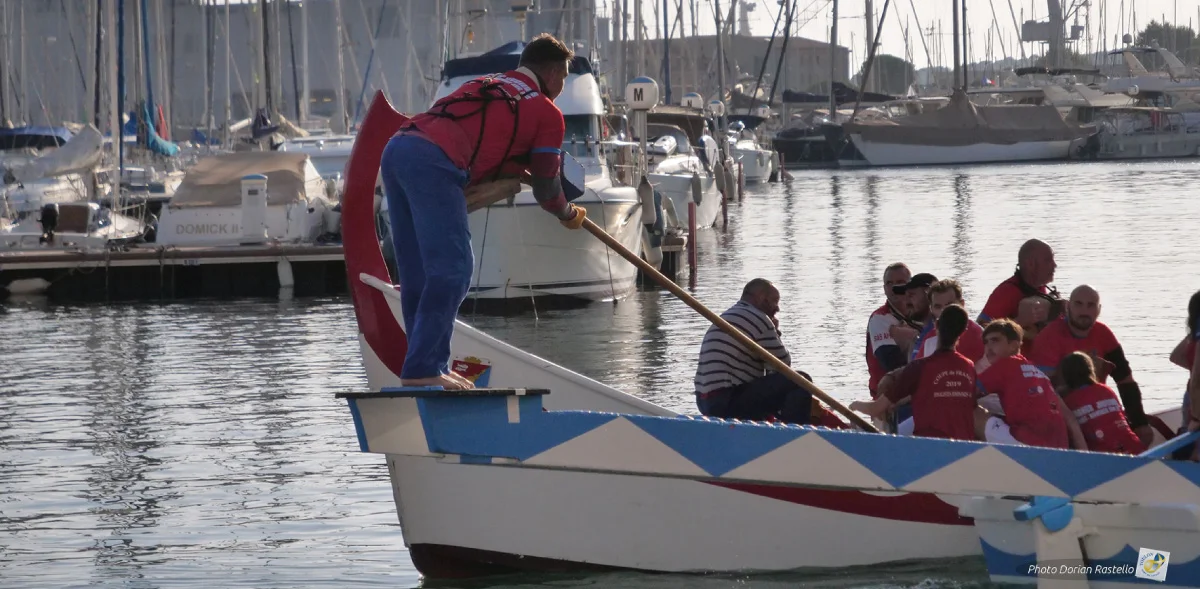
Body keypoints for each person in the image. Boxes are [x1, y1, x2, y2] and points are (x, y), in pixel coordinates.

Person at [380, 34, 585, 389]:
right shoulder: (546, 111)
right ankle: (425, 368)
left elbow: (487, 142)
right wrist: (567, 213)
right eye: (564, 79)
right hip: (433, 161)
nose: (562, 88)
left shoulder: (486, 84)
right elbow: (547, 188)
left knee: (419, 275)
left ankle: (420, 368)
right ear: (552, 73)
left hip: (398, 149)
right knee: (453, 270)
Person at [1030, 285, 1153, 444]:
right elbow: (1042, 392)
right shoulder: (1048, 337)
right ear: (1068, 306)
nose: (1084, 311)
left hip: (1098, 410)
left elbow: (1126, 381)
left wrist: (1140, 423)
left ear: (1099, 310)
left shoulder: (1104, 333)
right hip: (1063, 416)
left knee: (1143, 436)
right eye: (1078, 304)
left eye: (1091, 305)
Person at [850, 305, 979, 441]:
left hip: (928, 447)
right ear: (963, 331)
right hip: (965, 447)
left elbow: (876, 409)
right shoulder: (969, 367)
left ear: (936, 325)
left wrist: (855, 405)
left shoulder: (918, 367)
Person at [694, 279, 814, 424]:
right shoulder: (759, 318)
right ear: (762, 299)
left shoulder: (730, 315)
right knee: (801, 381)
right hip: (726, 400)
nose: (778, 308)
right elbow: (783, 365)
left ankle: (774, 423)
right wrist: (775, 332)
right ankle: (794, 434)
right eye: (775, 301)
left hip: (705, 402)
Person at [975, 319, 1084, 449]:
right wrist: (1084, 454)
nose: (988, 347)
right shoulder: (1038, 373)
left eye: (995, 340)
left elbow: (964, 394)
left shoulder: (1005, 365)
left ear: (1014, 346)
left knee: (974, 412)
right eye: (985, 342)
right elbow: (1070, 419)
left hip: (1028, 445)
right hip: (1059, 448)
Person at [1057, 352, 1145, 454]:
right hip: (1137, 449)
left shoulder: (1067, 403)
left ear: (1066, 376)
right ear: (1090, 370)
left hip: (1104, 457)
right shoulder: (1106, 390)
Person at [978, 240, 1064, 344]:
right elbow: (979, 333)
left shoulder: (1041, 289)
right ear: (1031, 264)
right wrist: (1019, 321)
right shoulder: (1006, 292)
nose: (1055, 265)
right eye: (1048, 260)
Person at [866, 263, 916, 397]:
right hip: (887, 396)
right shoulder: (879, 319)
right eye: (889, 283)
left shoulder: (922, 313)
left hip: (919, 392)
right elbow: (891, 363)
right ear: (884, 288)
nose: (894, 288)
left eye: (900, 282)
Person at [911, 279, 986, 363]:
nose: (943, 311)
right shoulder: (929, 338)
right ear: (931, 309)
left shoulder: (981, 336)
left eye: (949, 305)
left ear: (962, 304)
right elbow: (916, 371)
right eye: (938, 307)